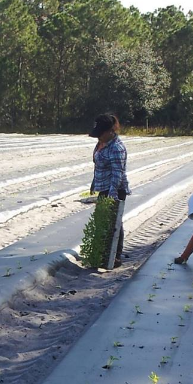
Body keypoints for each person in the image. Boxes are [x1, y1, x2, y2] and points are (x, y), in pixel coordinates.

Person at [88, 113, 130, 268]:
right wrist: (94, 183)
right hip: (103, 187)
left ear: (110, 131)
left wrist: (112, 195)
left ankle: (115, 256)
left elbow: (117, 173)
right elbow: (98, 164)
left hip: (115, 189)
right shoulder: (101, 144)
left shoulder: (117, 148)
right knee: (102, 222)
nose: (99, 137)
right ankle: (103, 254)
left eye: (101, 134)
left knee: (114, 223)